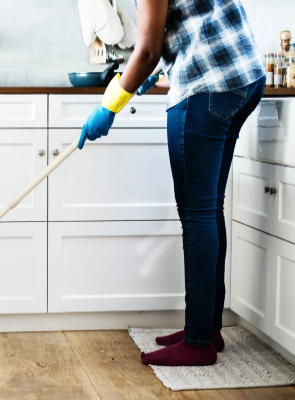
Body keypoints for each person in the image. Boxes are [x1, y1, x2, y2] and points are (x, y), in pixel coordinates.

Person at [79, 0, 266, 367]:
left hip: (207, 86)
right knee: (209, 208)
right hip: (243, 78)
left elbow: (146, 49)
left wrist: (110, 104)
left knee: (197, 214)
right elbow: (185, 22)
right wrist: (160, 64)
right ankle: (207, 327)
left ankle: (198, 342)